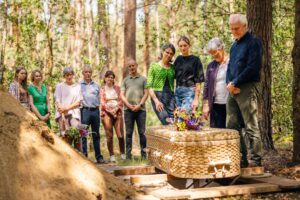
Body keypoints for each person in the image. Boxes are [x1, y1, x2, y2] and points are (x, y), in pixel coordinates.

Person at [226, 14, 263, 168]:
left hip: (247, 87)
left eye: (237, 28)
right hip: (232, 89)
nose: (234, 31)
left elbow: (253, 67)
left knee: (250, 125)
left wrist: (235, 82)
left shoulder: (254, 42)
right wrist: (230, 83)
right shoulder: (234, 46)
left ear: (245, 26)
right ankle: (240, 159)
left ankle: (256, 161)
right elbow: (229, 68)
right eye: (232, 29)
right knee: (232, 125)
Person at [120, 59, 148, 160]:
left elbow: (146, 93)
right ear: (128, 68)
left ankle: (144, 155)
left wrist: (139, 105)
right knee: (128, 133)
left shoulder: (143, 79)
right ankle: (128, 156)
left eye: (133, 66)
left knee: (142, 133)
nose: (132, 68)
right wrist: (127, 105)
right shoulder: (125, 80)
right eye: (130, 66)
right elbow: (121, 95)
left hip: (141, 110)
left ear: (136, 66)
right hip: (128, 110)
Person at [80, 65, 105, 164]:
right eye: (86, 72)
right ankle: (84, 156)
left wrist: (101, 110)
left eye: (89, 72)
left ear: (91, 73)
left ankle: (99, 157)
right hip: (85, 111)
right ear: (83, 73)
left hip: (95, 111)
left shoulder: (96, 85)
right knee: (84, 134)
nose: (88, 74)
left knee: (96, 134)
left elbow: (100, 98)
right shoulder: (79, 85)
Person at [202, 38, 229, 128]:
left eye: (215, 52)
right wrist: (206, 105)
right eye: (211, 53)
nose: (213, 55)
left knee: (231, 131)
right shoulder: (211, 66)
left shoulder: (231, 62)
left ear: (222, 48)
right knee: (217, 131)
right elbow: (206, 85)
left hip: (231, 104)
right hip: (216, 104)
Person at [146, 43, 176, 125]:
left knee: (174, 122)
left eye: (171, 54)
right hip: (158, 97)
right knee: (166, 121)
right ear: (162, 51)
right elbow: (149, 86)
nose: (169, 55)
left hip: (171, 97)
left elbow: (181, 79)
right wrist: (156, 101)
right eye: (167, 52)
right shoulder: (154, 66)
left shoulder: (173, 68)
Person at [174, 36, 205, 112]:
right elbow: (172, 75)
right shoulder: (178, 59)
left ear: (189, 46)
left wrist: (196, 99)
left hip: (189, 92)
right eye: (180, 46)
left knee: (185, 117)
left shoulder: (195, 60)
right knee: (178, 119)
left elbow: (198, 81)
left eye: (185, 45)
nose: (183, 48)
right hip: (177, 92)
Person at [100, 70, 125, 162]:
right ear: (105, 78)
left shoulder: (117, 88)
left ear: (113, 79)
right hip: (106, 113)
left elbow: (121, 99)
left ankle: (122, 154)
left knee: (120, 135)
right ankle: (112, 155)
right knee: (109, 135)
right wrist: (110, 110)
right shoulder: (102, 89)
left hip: (117, 112)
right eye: (108, 77)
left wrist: (116, 109)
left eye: (112, 77)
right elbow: (102, 102)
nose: (110, 79)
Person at [54, 67, 82, 140]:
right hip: (62, 115)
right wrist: (62, 115)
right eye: (67, 75)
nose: (69, 77)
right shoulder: (59, 86)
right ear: (64, 76)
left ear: (73, 75)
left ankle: (78, 152)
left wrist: (67, 108)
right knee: (65, 137)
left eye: (71, 74)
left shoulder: (78, 86)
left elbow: (78, 102)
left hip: (74, 114)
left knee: (77, 136)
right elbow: (58, 101)